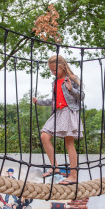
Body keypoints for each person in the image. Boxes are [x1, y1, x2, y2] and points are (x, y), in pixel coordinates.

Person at [32, 55, 85, 186]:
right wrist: (39, 101)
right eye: (51, 71)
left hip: (69, 112)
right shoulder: (55, 82)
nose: (53, 73)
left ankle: (73, 176)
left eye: (54, 70)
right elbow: (54, 101)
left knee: (69, 144)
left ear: (62, 66)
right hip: (58, 113)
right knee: (44, 136)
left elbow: (82, 96)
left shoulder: (72, 79)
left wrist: (71, 89)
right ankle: (55, 167)